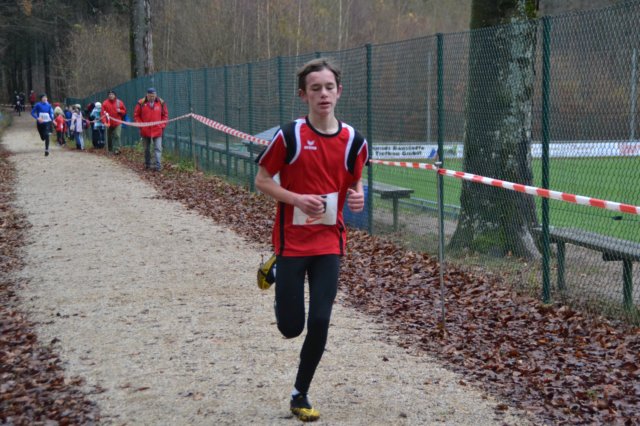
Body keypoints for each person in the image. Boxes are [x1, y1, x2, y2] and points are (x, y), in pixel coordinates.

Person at [254, 58, 368, 422]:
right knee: (291, 328)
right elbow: (262, 179)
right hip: (292, 242)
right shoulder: (289, 136)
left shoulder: (354, 141)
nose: (323, 94)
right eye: (315, 88)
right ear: (303, 95)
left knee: (320, 320)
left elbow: (355, 179)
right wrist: (297, 199)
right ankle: (275, 269)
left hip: (329, 242)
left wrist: (358, 195)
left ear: (339, 92)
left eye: (329, 87)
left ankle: (299, 393)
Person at [133, 87, 168, 171]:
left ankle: (158, 166)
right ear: (147, 95)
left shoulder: (161, 102)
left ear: (156, 95)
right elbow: (136, 115)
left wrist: (162, 125)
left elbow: (165, 115)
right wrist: (141, 125)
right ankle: (147, 164)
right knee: (146, 149)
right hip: (145, 130)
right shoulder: (141, 103)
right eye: (150, 96)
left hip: (157, 129)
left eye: (153, 96)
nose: (152, 98)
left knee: (158, 148)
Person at [100, 89, 127, 154]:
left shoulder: (119, 102)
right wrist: (104, 122)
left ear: (115, 95)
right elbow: (102, 114)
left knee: (117, 135)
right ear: (108, 96)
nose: (111, 95)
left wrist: (120, 111)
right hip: (108, 123)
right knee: (109, 137)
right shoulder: (105, 103)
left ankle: (117, 149)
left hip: (117, 122)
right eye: (109, 94)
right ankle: (110, 149)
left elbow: (124, 111)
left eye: (112, 94)